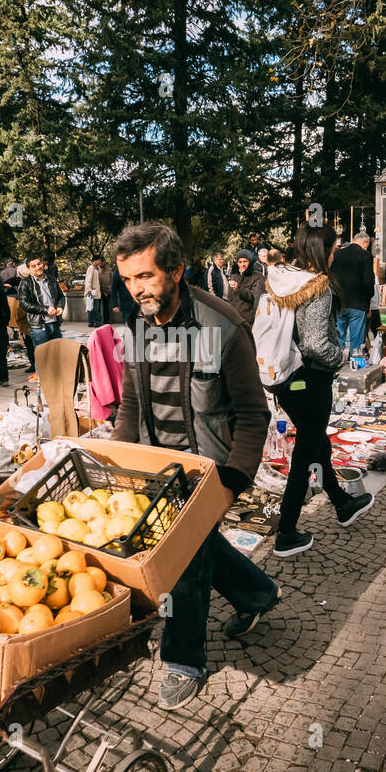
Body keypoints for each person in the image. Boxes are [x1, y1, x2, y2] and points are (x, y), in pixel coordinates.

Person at [112, 222, 281, 710]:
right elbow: (129, 405)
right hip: (153, 469)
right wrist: (118, 459)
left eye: (144, 277)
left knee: (182, 564)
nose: (136, 289)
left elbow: (252, 414)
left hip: (205, 473)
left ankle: (184, 659)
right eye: (128, 280)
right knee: (199, 548)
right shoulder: (139, 326)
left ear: (176, 270)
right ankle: (257, 592)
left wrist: (230, 485)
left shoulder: (220, 326)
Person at [265, 224, 375, 556]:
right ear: (320, 251)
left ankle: (342, 504)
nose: (334, 254)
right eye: (332, 249)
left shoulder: (282, 279)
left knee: (317, 443)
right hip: (310, 379)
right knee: (305, 453)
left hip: (283, 376)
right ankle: (286, 532)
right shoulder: (317, 286)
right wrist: (340, 356)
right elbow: (314, 343)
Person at [329, 229, 374, 354]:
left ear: (354, 241)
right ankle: (355, 362)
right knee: (356, 339)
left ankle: (338, 361)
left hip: (339, 301)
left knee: (339, 335)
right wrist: (369, 298)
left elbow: (331, 277)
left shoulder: (337, 254)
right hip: (358, 303)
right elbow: (369, 282)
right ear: (366, 244)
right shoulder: (366, 256)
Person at [18, 255, 65, 350]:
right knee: (42, 359)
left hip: (55, 323)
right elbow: (24, 303)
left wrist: (60, 306)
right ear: (29, 268)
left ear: (43, 264)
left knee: (58, 355)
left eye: (39, 264)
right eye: (33, 266)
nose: (37, 267)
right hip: (38, 327)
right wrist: (46, 310)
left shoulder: (51, 279)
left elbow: (60, 296)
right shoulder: (26, 283)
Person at [227, 249, 265, 326]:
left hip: (248, 319)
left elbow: (254, 297)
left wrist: (238, 288)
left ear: (250, 262)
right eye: (240, 262)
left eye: (245, 261)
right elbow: (230, 298)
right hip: (234, 318)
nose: (242, 264)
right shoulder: (234, 276)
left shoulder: (257, 276)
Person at [84, 258, 105, 328]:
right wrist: (88, 289)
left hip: (94, 291)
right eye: (99, 260)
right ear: (95, 261)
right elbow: (88, 280)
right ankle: (97, 322)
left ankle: (91, 322)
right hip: (92, 291)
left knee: (91, 307)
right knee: (95, 307)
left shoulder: (96, 268)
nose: (100, 262)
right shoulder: (91, 268)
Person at [99, 258, 113, 326]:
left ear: (104, 262)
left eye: (102, 262)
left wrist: (110, 288)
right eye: (100, 262)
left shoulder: (109, 269)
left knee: (107, 306)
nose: (101, 263)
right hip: (98, 291)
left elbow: (112, 280)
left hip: (107, 290)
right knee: (98, 307)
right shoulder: (96, 270)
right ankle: (99, 320)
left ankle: (107, 320)